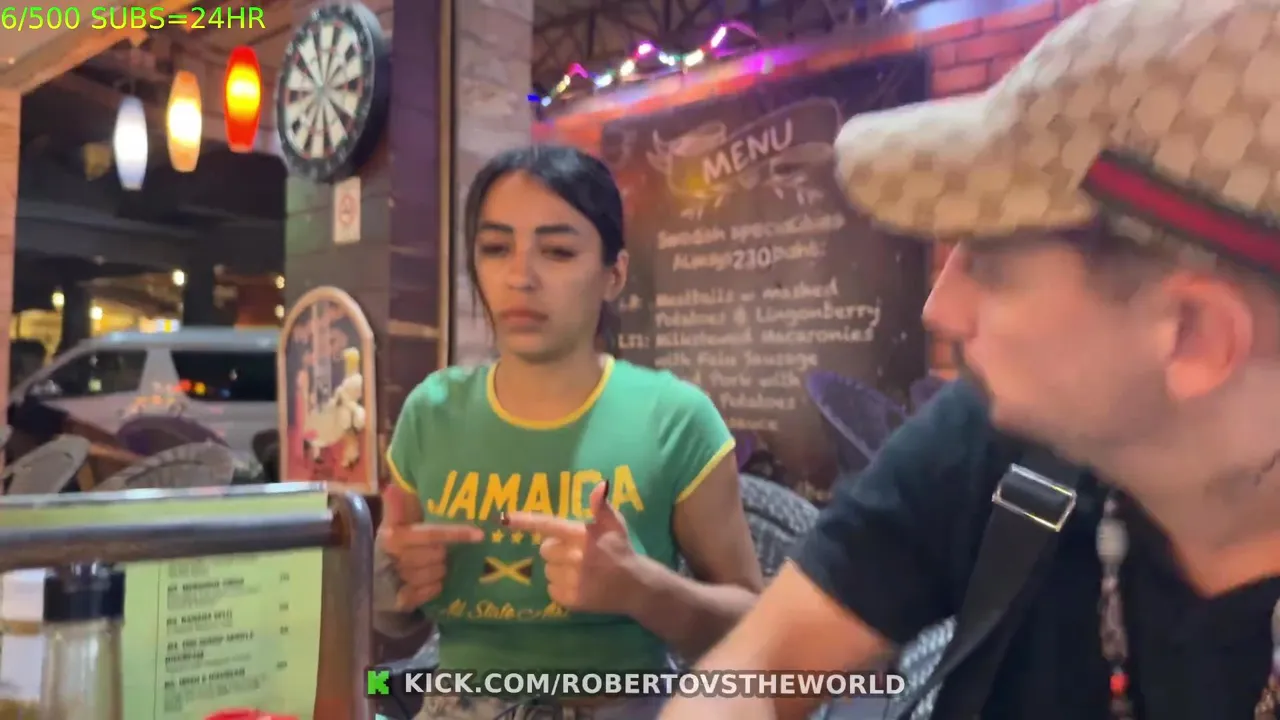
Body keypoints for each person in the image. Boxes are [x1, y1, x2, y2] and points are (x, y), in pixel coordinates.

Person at [660, 0, 1280, 718]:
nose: (941, 309)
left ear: (1193, 333)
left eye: (992, 261)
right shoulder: (1004, 434)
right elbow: (762, 665)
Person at [374, 145, 763, 720]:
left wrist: (643, 589)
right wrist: (393, 585)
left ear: (614, 274)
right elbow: (391, 620)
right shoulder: (430, 413)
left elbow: (756, 633)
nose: (520, 277)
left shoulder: (675, 419)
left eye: (557, 251)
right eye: (495, 248)